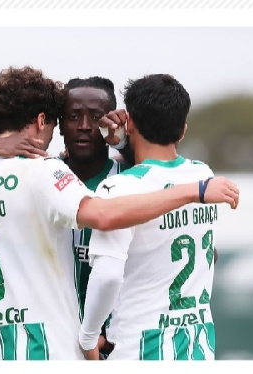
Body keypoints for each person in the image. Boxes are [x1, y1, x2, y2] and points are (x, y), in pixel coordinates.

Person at [0, 65, 239, 360]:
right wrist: (195, 190)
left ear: (118, 122)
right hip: (70, 345)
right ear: (53, 123)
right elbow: (105, 216)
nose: (84, 125)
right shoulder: (49, 174)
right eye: (72, 117)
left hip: (101, 342)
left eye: (96, 117)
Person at [79, 74, 225, 360]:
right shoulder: (203, 176)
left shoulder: (119, 187)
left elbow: (107, 276)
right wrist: (124, 144)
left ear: (129, 122)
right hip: (198, 346)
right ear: (182, 131)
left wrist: (88, 338)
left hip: (141, 348)